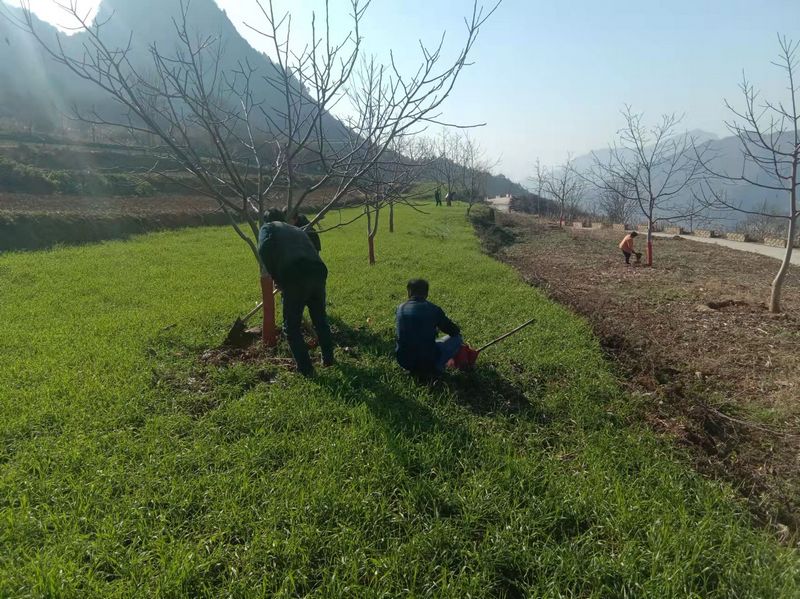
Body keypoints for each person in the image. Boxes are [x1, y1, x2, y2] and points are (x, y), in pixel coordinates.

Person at [258, 208, 334, 376]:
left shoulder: (268, 227)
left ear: (266, 220)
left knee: (291, 327)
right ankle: (329, 360)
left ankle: (306, 369)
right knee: (320, 320)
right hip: (318, 271)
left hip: (294, 276)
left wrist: (276, 277)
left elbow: (264, 249)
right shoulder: (296, 229)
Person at [395, 279, 463, 377]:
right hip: (427, 360)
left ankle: (415, 369)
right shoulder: (434, 309)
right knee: (457, 339)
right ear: (426, 294)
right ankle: (436, 368)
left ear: (409, 292)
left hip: (403, 360)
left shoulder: (400, 308)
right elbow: (454, 331)